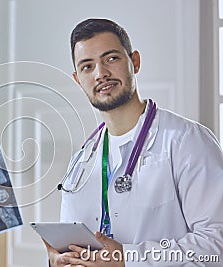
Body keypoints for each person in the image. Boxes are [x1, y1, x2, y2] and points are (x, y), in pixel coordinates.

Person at [45, 18, 223, 266]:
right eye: (87, 66)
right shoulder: (81, 162)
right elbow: (73, 248)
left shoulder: (186, 141)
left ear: (134, 62)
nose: (101, 74)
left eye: (111, 58)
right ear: (77, 79)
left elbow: (216, 246)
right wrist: (58, 260)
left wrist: (127, 258)